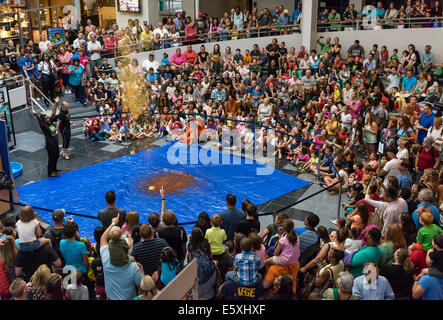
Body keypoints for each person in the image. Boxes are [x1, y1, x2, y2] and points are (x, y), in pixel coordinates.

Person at [100, 214, 143, 300]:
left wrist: (113, 223)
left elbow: (103, 238)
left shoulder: (105, 258)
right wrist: (141, 269)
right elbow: (141, 286)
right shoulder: (134, 267)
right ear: (125, 250)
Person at [31, 99, 61, 177]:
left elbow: (53, 113)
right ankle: (50, 172)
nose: (48, 119)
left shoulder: (50, 122)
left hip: (55, 142)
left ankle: (54, 168)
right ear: (44, 121)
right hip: (50, 144)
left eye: (48, 118)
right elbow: (40, 121)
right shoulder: (44, 126)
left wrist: (56, 103)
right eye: (46, 119)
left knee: (56, 156)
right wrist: (35, 114)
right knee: (51, 158)